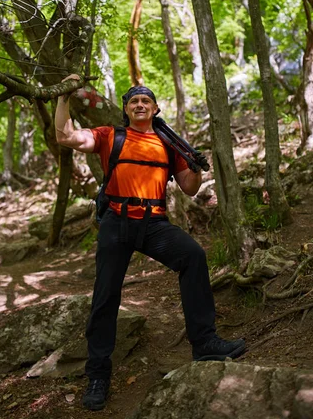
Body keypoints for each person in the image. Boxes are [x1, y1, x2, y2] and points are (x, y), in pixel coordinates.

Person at [55, 77, 245, 411]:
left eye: (146, 101)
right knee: (105, 296)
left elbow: (189, 188)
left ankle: (204, 342)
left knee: (193, 256)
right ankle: (98, 375)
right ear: (126, 110)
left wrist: (198, 169)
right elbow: (66, 136)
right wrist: (63, 98)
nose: (140, 105)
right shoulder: (109, 135)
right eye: (133, 102)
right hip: (115, 221)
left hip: (154, 222)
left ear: (155, 109)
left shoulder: (169, 144)